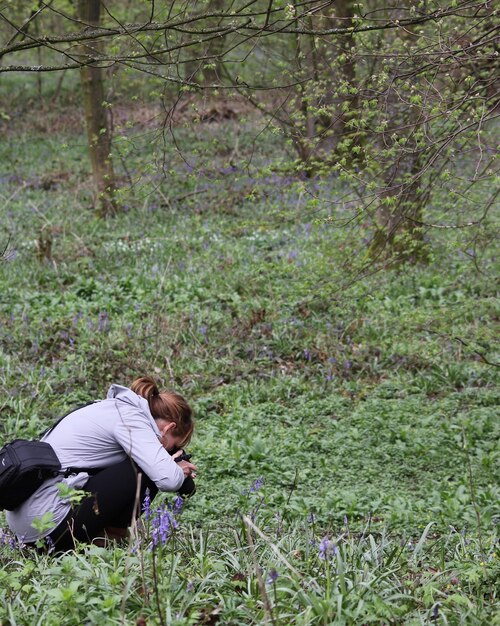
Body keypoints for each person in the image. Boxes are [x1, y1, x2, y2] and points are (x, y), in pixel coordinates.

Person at [6, 376, 197, 551]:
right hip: (49, 528)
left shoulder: (109, 407)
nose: (169, 451)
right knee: (145, 471)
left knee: (144, 463)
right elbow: (168, 479)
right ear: (169, 428)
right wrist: (175, 467)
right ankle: (103, 541)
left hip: (26, 526)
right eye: (173, 446)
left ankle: (95, 538)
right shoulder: (131, 418)